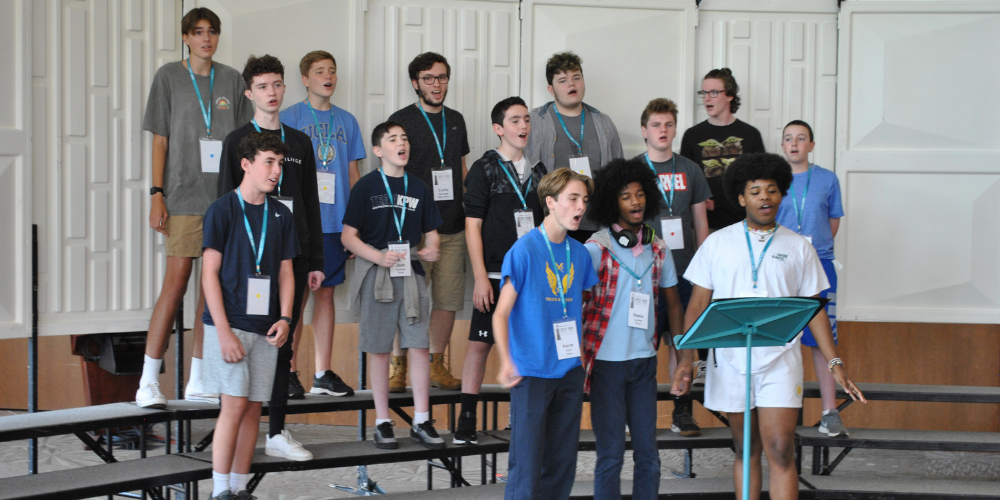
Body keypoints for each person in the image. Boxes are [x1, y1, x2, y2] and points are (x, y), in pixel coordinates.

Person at [682, 152, 866, 500]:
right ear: (741, 197)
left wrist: (835, 362)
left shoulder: (799, 247)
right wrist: (685, 359)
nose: (764, 197)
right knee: (745, 449)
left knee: (781, 449)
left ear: (782, 194)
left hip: (780, 361)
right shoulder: (717, 243)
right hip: (731, 362)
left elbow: (815, 311)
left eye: (771, 190)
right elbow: (696, 306)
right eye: (755, 191)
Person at [138, 7, 253, 408]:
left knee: (213, 287)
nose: (206, 38)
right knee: (176, 284)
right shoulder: (169, 76)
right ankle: (148, 380)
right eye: (198, 32)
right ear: (186, 37)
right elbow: (160, 142)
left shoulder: (233, 80)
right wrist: (157, 193)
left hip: (224, 199)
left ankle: (199, 380)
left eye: (212, 32)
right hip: (183, 195)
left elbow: (244, 143)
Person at [217, 54, 323, 461]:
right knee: (248, 341)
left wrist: (314, 260)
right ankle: (238, 426)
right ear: (249, 93)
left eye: (277, 84)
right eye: (263, 86)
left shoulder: (300, 142)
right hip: (247, 263)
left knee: (282, 342)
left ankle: (277, 431)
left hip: (290, 260)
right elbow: (226, 203)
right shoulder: (236, 142)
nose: (272, 92)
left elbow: (310, 202)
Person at [582, 158, 692, 500]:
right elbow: (577, 306)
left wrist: (681, 355)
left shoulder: (658, 249)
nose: (636, 202)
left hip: (644, 364)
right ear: (612, 202)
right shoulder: (596, 249)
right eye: (626, 196)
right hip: (607, 367)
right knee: (611, 455)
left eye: (641, 194)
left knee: (649, 455)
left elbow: (673, 305)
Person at [201, 132, 299, 499]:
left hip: (266, 327)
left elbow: (287, 271)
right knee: (234, 404)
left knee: (253, 407)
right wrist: (223, 331)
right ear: (246, 164)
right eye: (268, 162)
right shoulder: (222, 210)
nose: (276, 171)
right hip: (229, 325)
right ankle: (219, 490)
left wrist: (286, 318)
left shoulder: (280, 213)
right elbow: (209, 273)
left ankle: (240, 488)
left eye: (280, 164)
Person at [493, 168, 599, 500]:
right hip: (532, 371)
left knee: (562, 463)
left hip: (568, 368)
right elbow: (500, 313)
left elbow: (578, 306)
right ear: (551, 202)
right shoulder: (524, 250)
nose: (580, 206)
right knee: (527, 464)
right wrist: (506, 361)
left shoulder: (579, 253)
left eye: (584, 199)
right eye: (572, 198)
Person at [341, 121, 445, 450]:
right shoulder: (366, 186)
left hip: (411, 273)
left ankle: (421, 419)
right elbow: (348, 236)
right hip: (378, 275)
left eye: (404, 138)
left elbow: (432, 232)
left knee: (418, 345)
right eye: (392, 139)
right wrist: (376, 256)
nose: (401, 143)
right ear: (377, 150)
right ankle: (382, 421)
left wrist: (432, 247)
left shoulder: (418, 186)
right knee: (381, 348)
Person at [454, 97, 547, 445]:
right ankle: (466, 418)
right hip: (493, 275)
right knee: (480, 345)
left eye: (526, 120)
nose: (523, 126)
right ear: (499, 128)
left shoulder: (539, 172)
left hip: (529, 278)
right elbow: (472, 226)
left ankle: (517, 419)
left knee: (523, 347)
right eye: (514, 120)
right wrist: (480, 277)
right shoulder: (485, 168)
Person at [280, 50, 365, 400]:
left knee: (326, 294)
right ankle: (287, 370)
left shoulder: (347, 121)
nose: (327, 76)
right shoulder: (289, 118)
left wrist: (356, 225)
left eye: (331, 71)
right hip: (301, 224)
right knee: (295, 298)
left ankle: (322, 372)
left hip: (335, 223)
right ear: (304, 79)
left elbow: (353, 175)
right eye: (319, 71)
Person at [386, 53, 469, 392]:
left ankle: (437, 364)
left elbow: (461, 168)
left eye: (442, 77)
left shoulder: (456, 119)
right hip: (413, 229)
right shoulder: (401, 121)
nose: (437, 84)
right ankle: (398, 367)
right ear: (415, 83)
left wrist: (471, 208)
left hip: (452, 225)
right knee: (406, 299)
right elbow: (392, 173)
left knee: (447, 300)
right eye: (429, 78)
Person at [679, 68, 766, 379]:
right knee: (705, 294)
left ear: (730, 95)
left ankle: (739, 358)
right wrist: (699, 200)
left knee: (740, 292)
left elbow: (760, 181)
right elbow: (686, 182)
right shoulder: (692, 136)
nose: (707, 99)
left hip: (744, 231)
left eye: (714, 92)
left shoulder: (750, 135)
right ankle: (704, 360)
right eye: (704, 93)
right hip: (707, 230)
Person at [635, 98, 712, 437]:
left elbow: (700, 222)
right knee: (641, 345)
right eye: (656, 125)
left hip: (684, 272)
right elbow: (625, 223)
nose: (662, 131)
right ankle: (638, 415)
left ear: (675, 129)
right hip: (645, 275)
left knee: (682, 343)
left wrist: (707, 269)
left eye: (668, 125)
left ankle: (681, 413)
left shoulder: (690, 169)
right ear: (644, 131)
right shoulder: (634, 171)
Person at [775, 120, 846, 437]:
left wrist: (812, 252)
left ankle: (830, 412)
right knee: (782, 340)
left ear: (811, 145)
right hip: (784, 268)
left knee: (822, 342)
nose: (794, 144)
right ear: (782, 146)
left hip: (821, 266)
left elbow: (833, 221)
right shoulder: (775, 181)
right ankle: (780, 411)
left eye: (801, 139)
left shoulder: (828, 180)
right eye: (788, 139)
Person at [525, 52, 624, 243]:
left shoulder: (603, 122)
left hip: (596, 228)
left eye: (576, 78)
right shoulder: (535, 122)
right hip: (553, 226)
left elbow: (618, 177)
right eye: (562, 80)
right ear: (551, 89)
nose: (571, 84)